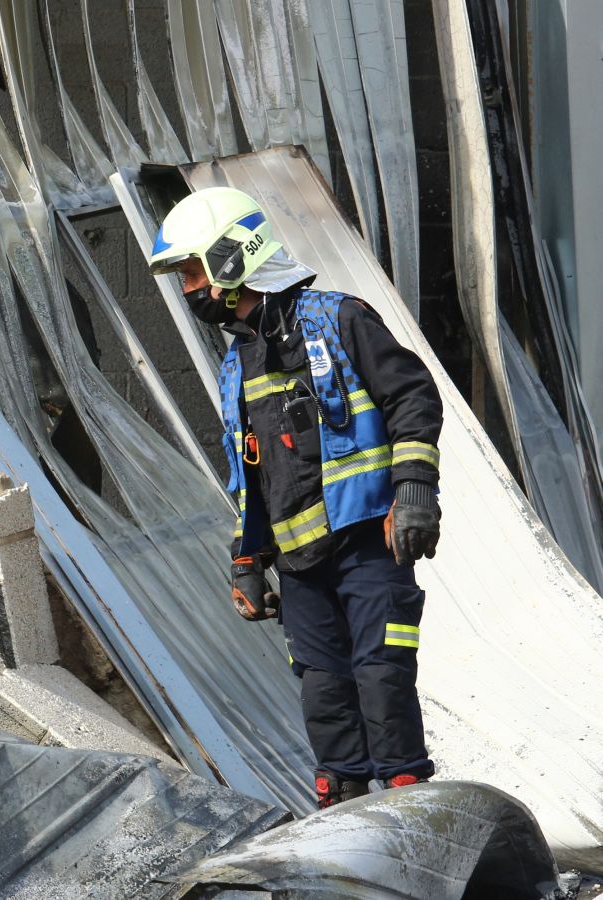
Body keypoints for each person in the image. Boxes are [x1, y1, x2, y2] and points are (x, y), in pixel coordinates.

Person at [148, 187, 443, 809]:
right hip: (299, 565)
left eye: (193, 270)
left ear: (234, 259)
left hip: (369, 541)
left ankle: (409, 803)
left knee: (382, 674)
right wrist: (247, 560)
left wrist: (414, 489)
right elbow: (251, 477)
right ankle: (346, 812)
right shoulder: (238, 366)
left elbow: (412, 396)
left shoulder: (340, 319)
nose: (188, 290)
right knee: (323, 691)